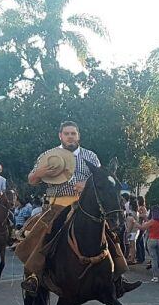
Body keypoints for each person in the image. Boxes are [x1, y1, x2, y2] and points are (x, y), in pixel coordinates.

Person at [17, 121, 140, 295]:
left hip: (86, 206)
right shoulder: (48, 155)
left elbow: (102, 179)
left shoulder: (90, 156)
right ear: (60, 136)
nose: (70, 137)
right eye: (66, 133)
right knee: (44, 235)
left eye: (73, 133)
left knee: (109, 234)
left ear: (78, 136)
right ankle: (34, 276)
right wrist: (39, 172)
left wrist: (87, 185)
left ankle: (118, 277)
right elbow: (32, 180)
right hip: (57, 204)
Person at [141, 205, 159, 282]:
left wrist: (135, 223)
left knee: (154, 259)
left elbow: (142, 228)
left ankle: (155, 277)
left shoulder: (151, 221)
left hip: (152, 240)